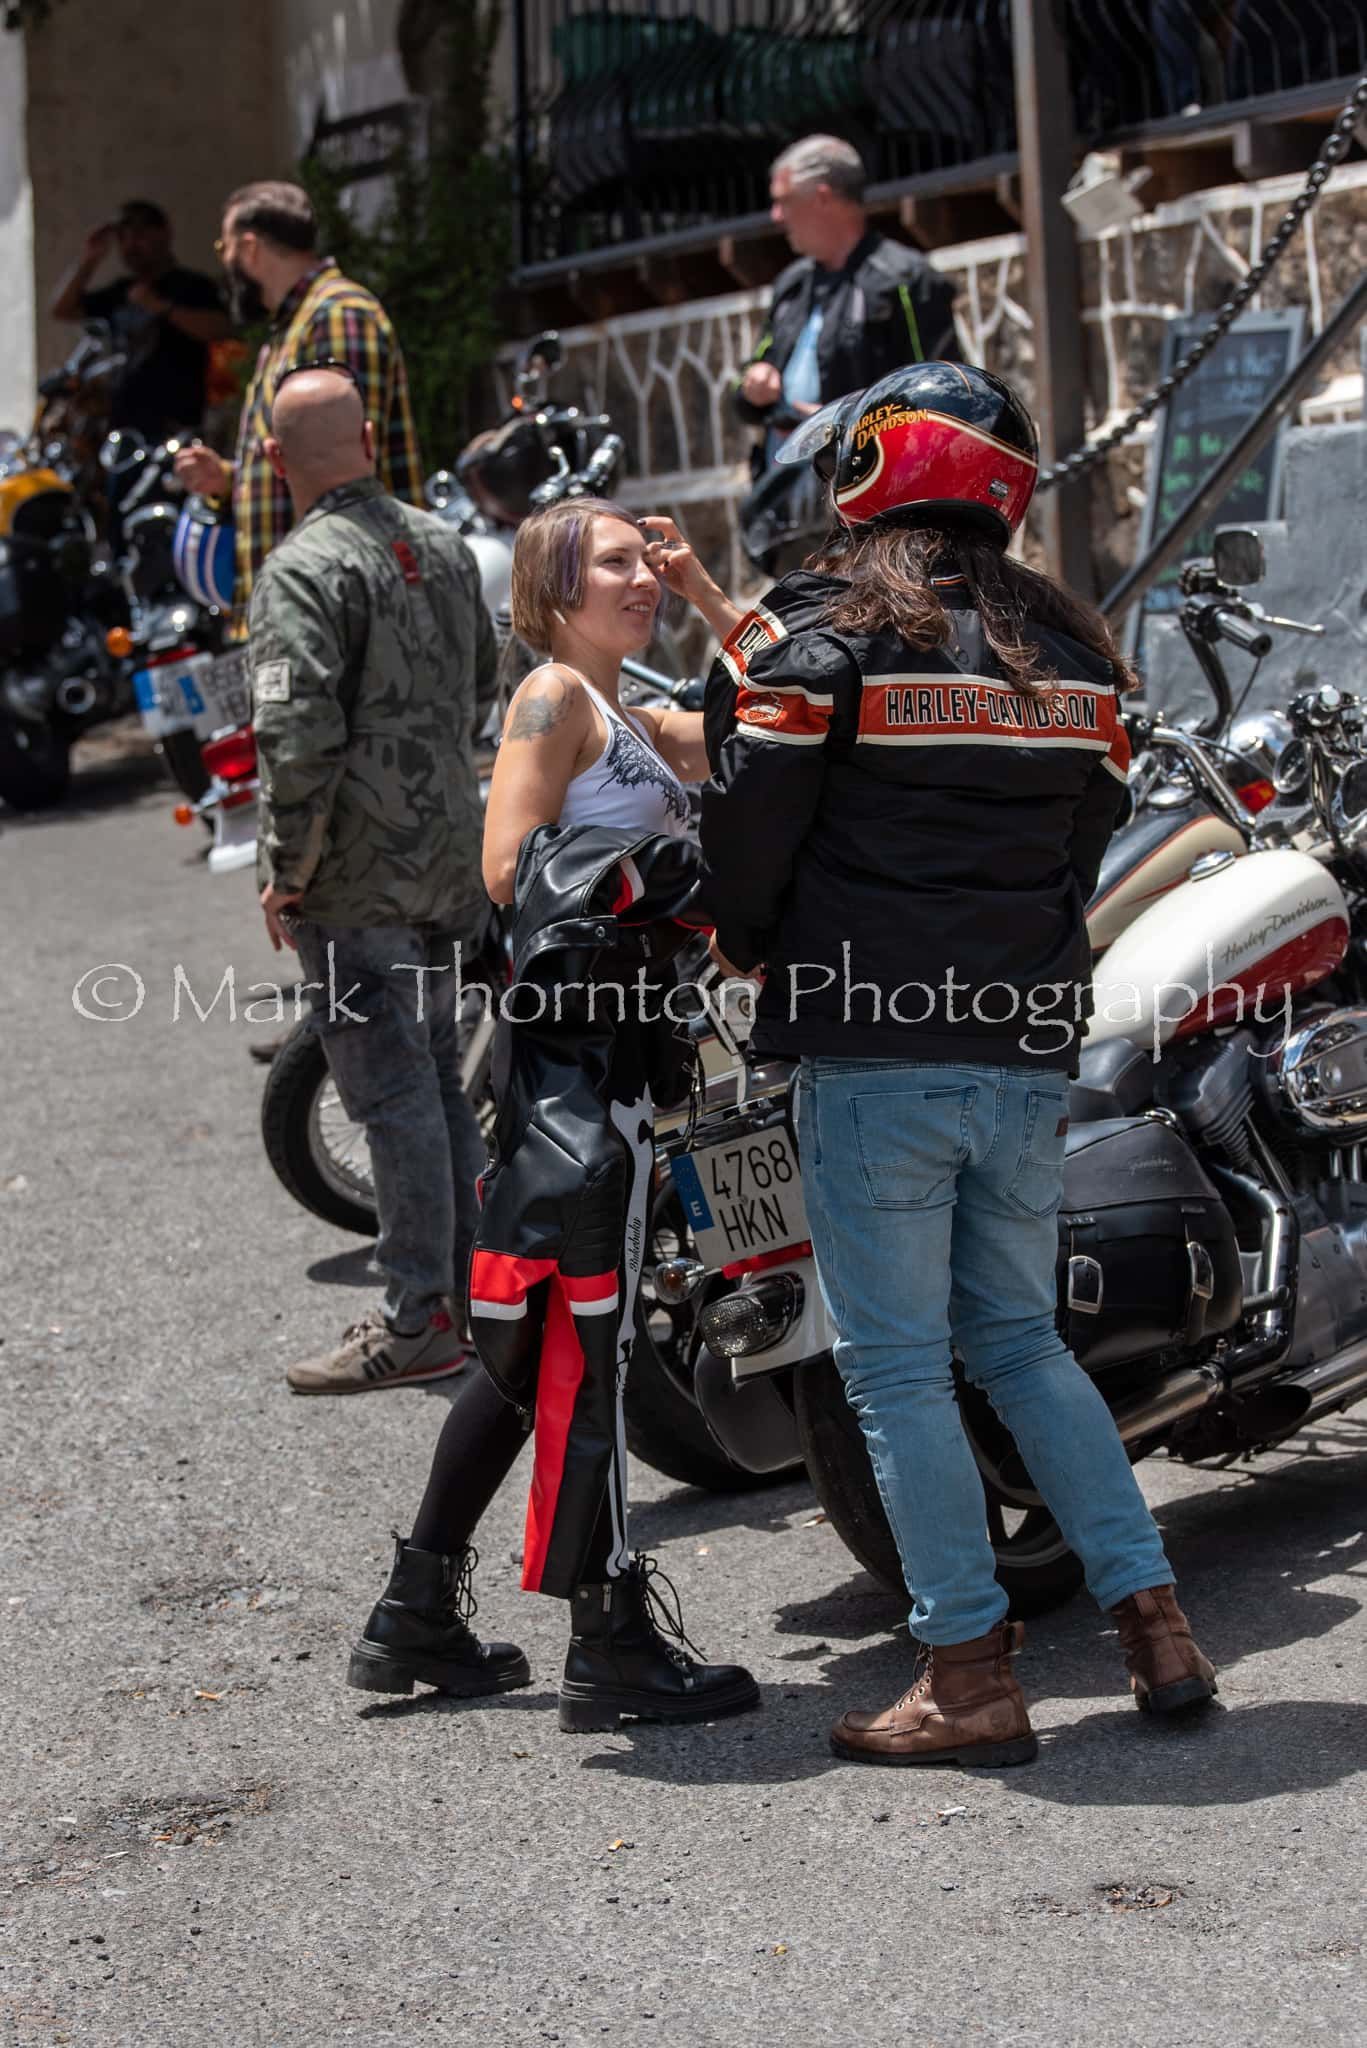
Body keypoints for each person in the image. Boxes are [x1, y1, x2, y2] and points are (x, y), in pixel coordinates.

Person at [696, 361, 1217, 1767]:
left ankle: (966, 1675)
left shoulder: (813, 637)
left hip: (873, 1053)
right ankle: (1153, 1627)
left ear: (871, 470)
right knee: (1020, 1344)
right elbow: (1074, 853)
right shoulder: (1074, 655)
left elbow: (744, 838)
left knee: (895, 1374)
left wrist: (752, 946)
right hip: (1023, 1050)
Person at [344, 499, 759, 1732]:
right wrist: (658, 887)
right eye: (617, 563)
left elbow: (768, 705)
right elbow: (505, 862)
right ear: (551, 585)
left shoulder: (631, 710)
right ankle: (609, 1629)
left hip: (618, 1059)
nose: (640, 575)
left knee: (528, 1345)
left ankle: (414, 1608)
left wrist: (702, 591)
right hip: (582, 1065)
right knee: (586, 1340)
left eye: (647, 559)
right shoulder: (553, 701)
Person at [247, 365, 497, 1396]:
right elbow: (484, 679)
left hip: (356, 876)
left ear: (273, 457)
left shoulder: (302, 568)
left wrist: (283, 867)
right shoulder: (437, 542)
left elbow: (294, 737)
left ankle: (416, 1318)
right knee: (435, 1079)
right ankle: (474, 1296)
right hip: (447, 856)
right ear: (367, 435)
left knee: (392, 1093)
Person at [174, 180, 422, 626]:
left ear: (249, 248)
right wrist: (230, 480)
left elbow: (344, 468)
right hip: (297, 606)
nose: (225, 263)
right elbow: (304, 459)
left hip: (333, 607)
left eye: (223, 247)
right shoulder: (296, 326)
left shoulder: (337, 315)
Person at [734, 135, 958, 577]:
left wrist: (844, 422)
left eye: (783, 202)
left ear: (821, 197)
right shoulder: (792, 287)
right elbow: (744, 393)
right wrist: (752, 385)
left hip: (872, 510)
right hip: (793, 510)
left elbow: (940, 392)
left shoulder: (903, 278)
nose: (776, 216)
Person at [50, 199, 229, 439]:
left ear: (164, 233)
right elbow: (62, 310)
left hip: (175, 428)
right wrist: (89, 259)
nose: (131, 245)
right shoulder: (121, 291)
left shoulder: (193, 287)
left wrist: (161, 307)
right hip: (123, 428)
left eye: (140, 234)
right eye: (123, 237)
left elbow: (220, 329)